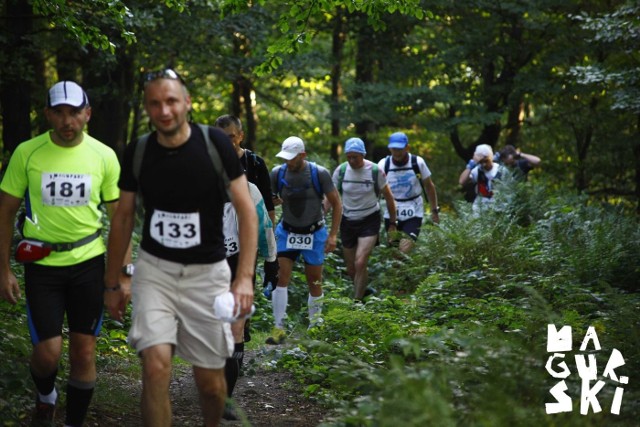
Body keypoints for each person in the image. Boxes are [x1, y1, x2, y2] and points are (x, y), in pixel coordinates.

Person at [103, 69, 257, 427]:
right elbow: (123, 218)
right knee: (156, 366)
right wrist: (113, 282)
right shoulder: (138, 151)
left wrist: (245, 277)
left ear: (187, 102)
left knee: (210, 385)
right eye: (155, 103)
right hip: (156, 271)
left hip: (207, 273)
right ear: (147, 108)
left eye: (171, 100)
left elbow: (247, 210)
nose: (164, 110)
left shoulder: (215, 145)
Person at [0, 81, 128, 427]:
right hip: (42, 265)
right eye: (59, 112)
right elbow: (6, 210)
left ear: (87, 113)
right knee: (48, 353)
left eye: (74, 112)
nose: (67, 120)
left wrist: (122, 274)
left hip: (88, 263)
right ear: (48, 114)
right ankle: (45, 395)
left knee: (84, 351)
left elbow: (120, 217)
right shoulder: (27, 152)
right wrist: (3, 270)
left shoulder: (104, 155)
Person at [267, 136, 342, 344]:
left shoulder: (320, 173)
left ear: (303, 155)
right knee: (281, 277)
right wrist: (273, 203)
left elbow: (337, 204)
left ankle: (315, 326)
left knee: (314, 280)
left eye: (292, 158)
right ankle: (278, 328)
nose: (288, 162)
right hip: (287, 231)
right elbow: (269, 202)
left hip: (314, 233)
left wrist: (333, 235)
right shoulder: (277, 173)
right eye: (285, 158)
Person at [221, 181, 276, 419]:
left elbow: (264, 225)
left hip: (239, 262)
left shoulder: (249, 188)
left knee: (236, 329)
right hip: (204, 264)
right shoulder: (194, 179)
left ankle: (225, 398)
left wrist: (271, 259)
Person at [328, 138, 396, 300]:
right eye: (349, 157)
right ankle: (364, 291)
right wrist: (320, 217)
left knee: (360, 262)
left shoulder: (374, 171)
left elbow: (389, 197)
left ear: (363, 155)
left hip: (369, 220)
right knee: (351, 268)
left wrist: (392, 223)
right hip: (347, 220)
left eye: (355, 157)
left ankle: (356, 303)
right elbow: (331, 198)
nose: (352, 161)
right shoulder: (341, 171)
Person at [378, 132, 440, 254]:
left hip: (414, 209)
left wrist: (434, 210)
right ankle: (400, 273)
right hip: (391, 211)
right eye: (394, 149)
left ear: (407, 147)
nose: (396, 153)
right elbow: (376, 190)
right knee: (394, 252)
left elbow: (429, 186)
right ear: (390, 148)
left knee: (404, 250)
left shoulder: (417, 163)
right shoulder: (383, 165)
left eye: (400, 149)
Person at [458, 144, 508, 212]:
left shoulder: (501, 170)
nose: (484, 164)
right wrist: (470, 166)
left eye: (486, 161)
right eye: (481, 162)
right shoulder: (477, 171)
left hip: (499, 209)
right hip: (480, 210)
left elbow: (510, 189)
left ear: (491, 158)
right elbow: (462, 181)